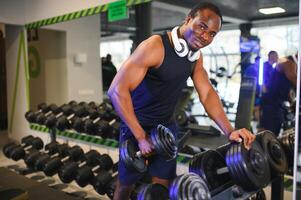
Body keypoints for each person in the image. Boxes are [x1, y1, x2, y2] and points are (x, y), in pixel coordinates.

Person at [108, 2, 256, 200]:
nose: (205, 36)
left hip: (165, 127)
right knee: (125, 186)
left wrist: (229, 131)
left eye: (212, 33)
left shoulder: (195, 57)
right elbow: (116, 91)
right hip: (136, 125)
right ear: (188, 19)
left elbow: (207, 94)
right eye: (202, 26)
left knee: (163, 186)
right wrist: (141, 136)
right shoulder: (155, 46)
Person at [260, 53, 297, 135]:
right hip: (273, 103)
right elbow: (294, 79)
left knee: (274, 132)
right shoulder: (287, 62)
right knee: (268, 133)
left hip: (279, 104)